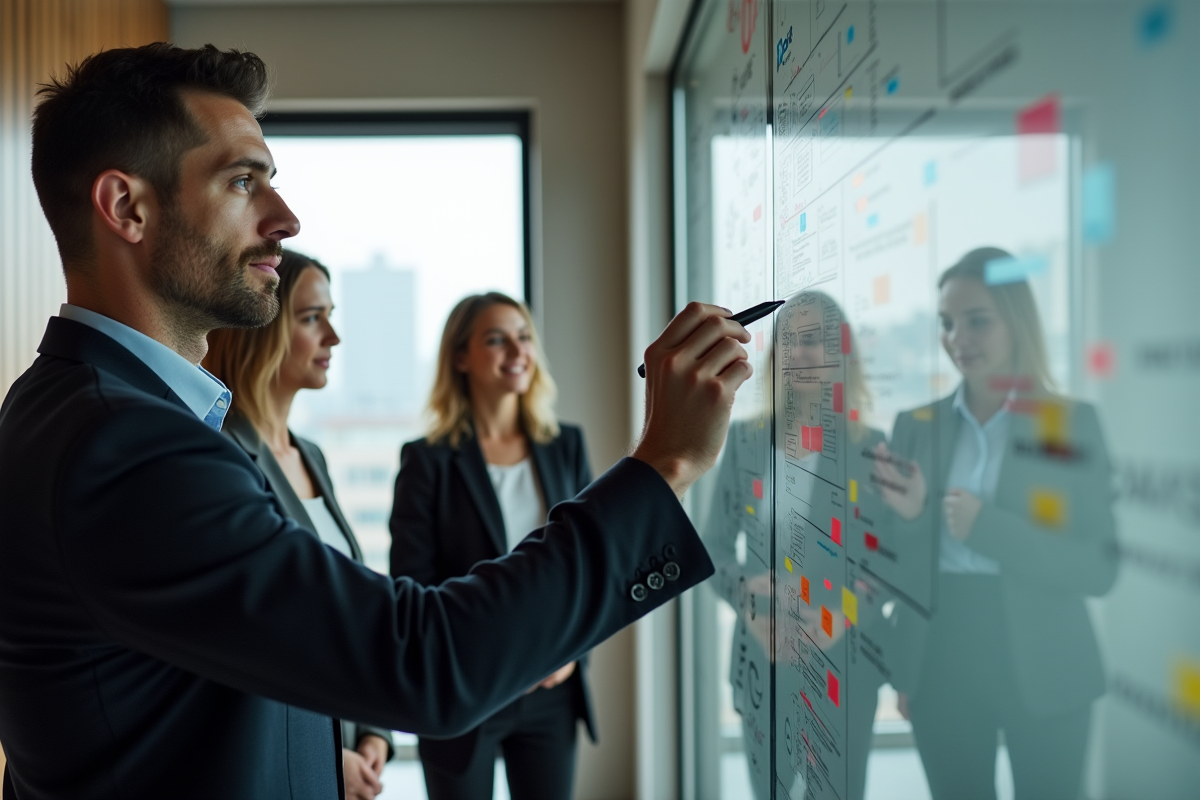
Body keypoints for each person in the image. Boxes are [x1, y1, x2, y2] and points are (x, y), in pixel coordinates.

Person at [0, 43, 753, 798]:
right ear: (127, 207)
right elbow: (421, 661)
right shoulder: (124, 447)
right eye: (241, 181)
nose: (284, 218)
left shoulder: (79, 406)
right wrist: (663, 466)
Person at [873, 248, 1117, 800]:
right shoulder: (917, 425)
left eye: (977, 320)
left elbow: (1098, 568)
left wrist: (989, 529)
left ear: (1016, 321)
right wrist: (912, 518)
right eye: (947, 323)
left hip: (1048, 660)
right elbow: (894, 555)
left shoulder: (1069, 425)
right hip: (941, 657)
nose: (959, 337)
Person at [203, 250, 394, 800]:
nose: (332, 336)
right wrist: (329, 756)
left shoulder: (311, 455)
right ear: (262, 328)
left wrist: (373, 731)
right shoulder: (221, 454)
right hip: (284, 763)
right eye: (312, 318)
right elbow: (232, 651)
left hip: (351, 751)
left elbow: (346, 613)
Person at [391, 292, 596, 799]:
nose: (517, 351)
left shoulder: (565, 445)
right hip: (464, 692)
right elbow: (414, 585)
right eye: (496, 339)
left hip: (551, 688)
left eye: (523, 337)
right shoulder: (427, 461)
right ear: (461, 357)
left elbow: (591, 564)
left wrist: (570, 653)